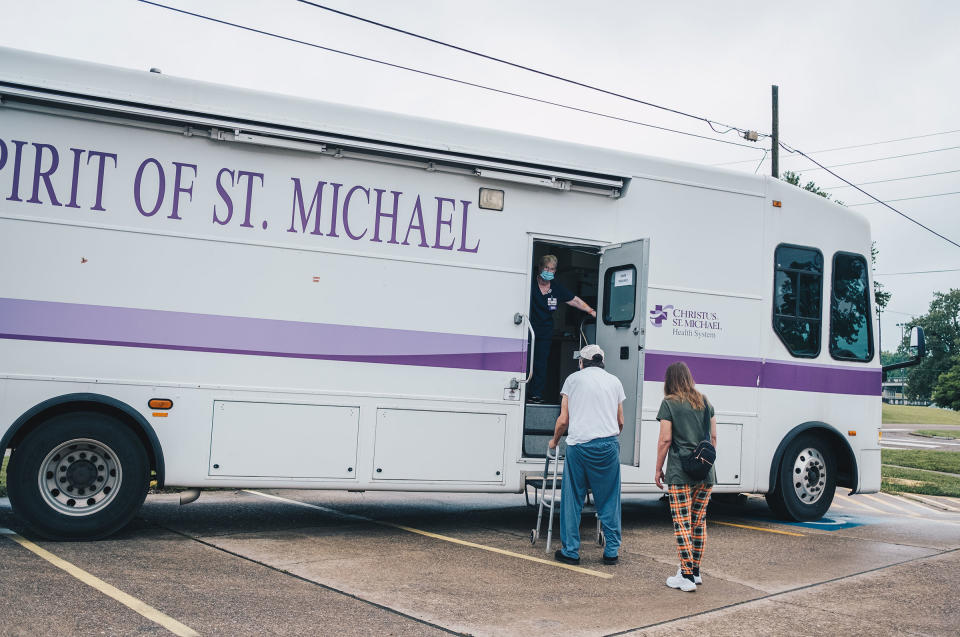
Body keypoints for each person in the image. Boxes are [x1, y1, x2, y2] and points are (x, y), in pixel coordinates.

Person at [548, 344, 625, 566]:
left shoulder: (573, 379)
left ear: (582, 362)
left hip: (580, 447)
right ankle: (611, 551)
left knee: (572, 498)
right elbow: (620, 421)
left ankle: (571, 551)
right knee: (609, 498)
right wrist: (607, 437)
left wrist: (554, 442)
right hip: (608, 445)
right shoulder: (615, 381)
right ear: (602, 362)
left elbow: (564, 420)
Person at [654, 361, 717, 592]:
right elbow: (713, 439)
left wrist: (658, 468)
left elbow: (665, 440)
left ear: (670, 380)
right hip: (706, 472)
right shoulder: (705, 400)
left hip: (681, 472)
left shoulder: (669, 403)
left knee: (682, 522)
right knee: (698, 522)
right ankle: (695, 571)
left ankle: (686, 576)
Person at [528, 254, 596, 403]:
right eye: (546, 268)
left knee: (540, 363)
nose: (549, 271)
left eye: (552, 269)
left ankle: (536, 395)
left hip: (544, 331)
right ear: (540, 267)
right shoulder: (529, 283)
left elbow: (574, 300)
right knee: (525, 361)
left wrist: (590, 311)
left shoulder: (556, 287)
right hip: (527, 330)